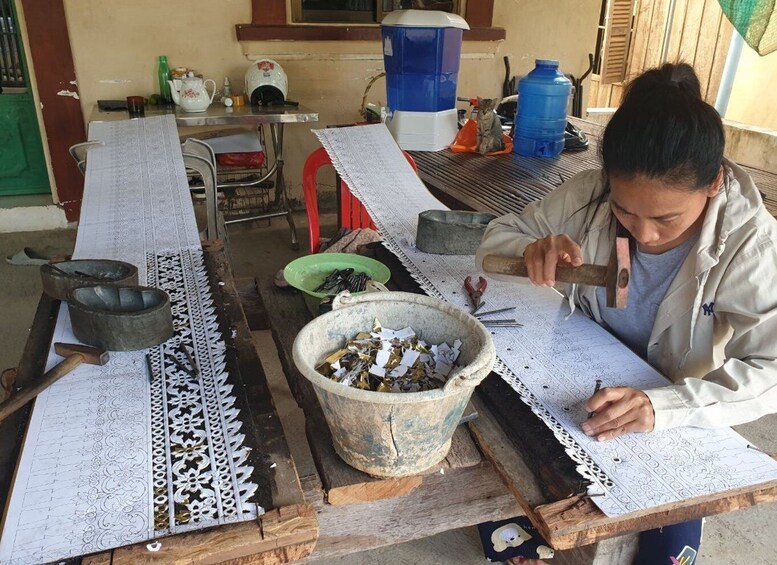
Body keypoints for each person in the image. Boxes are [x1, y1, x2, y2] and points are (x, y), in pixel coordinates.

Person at [474, 62, 777, 565]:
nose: (644, 234)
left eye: (666, 218)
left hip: (675, 404)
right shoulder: (588, 195)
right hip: (578, 376)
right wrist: (531, 249)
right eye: (625, 211)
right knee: (512, 517)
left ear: (714, 183)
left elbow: (771, 367)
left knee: (662, 553)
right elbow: (493, 239)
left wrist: (666, 408)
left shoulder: (750, 243)